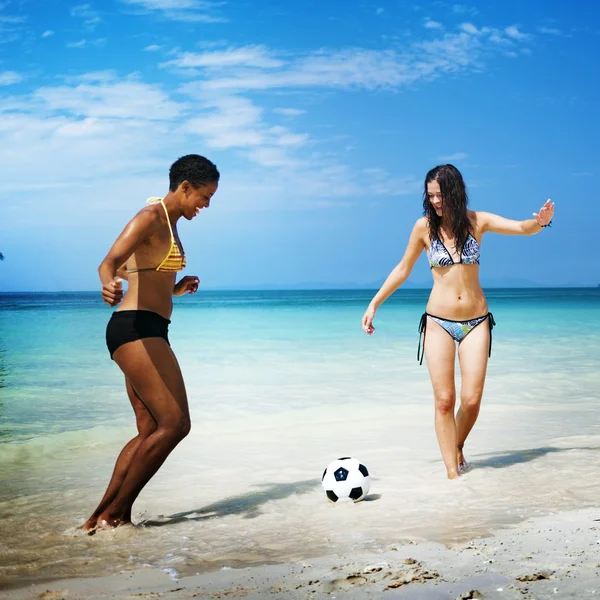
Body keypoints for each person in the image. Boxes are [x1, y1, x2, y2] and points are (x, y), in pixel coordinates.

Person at [361, 164, 554, 480]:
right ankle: (453, 476)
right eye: (431, 196)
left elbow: (522, 228)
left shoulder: (477, 221)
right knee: (444, 401)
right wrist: (374, 304)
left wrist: (540, 222)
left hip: (476, 322)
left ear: (455, 192)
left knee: (472, 401)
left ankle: (458, 444)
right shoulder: (423, 228)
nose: (436, 202)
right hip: (438, 321)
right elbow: (402, 269)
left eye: (440, 195)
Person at [81, 154, 220, 531]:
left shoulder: (172, 224)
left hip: (150, 326)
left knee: (149, 431)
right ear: (185, 186)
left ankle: (99, 518)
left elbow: (141, 273)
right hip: (134, 327)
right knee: (175, 424)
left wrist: (176, 287)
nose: (206, 205)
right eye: (204, 196)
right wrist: (107, 284)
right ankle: (115, 514)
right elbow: (110, 262)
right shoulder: (150, 218)